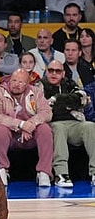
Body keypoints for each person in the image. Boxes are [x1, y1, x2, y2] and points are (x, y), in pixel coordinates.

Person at [0, 68, 53, 186]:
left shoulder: (36, 92)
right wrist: (21, 125)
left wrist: (31, 124)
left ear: (27, 84)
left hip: (29, 136)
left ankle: (44, 172)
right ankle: (1, 170)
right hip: (9, 135)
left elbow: (47, 112)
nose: (16, 85)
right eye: (14, 80)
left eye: (21, 82)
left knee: (45, 129)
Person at [41, 59, 95, 188]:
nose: (54, 74)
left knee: (90, 126)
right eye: (51, 70)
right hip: (52, 123)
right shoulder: (39, 86)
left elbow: (83, 99)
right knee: (59, 128)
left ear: (63, 73)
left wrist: (57, 100)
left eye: (57, 71)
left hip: (74, 123)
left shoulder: (70, 84)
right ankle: (61, 174)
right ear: (46, 72)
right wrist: (69, 103)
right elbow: (43, 107)